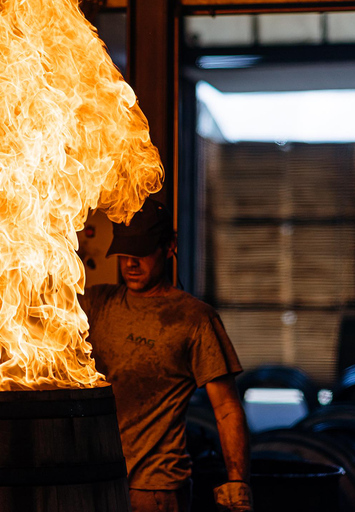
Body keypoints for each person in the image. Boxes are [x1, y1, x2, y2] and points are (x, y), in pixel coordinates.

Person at [79, 198, 253, 512]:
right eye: (124, 254)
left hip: (156, 491)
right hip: (97, 479)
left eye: (142, 252)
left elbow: (226, 408)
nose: (131, 263)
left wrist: (237, 480)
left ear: (170, 246)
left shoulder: (195, 319)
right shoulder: (96, 304)